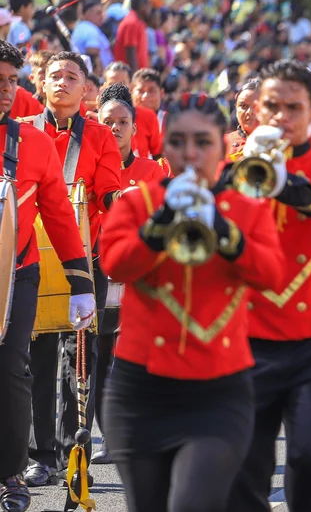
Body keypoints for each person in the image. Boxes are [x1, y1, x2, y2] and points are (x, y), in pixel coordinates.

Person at [100, 93, 284, 512]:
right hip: (140, 388)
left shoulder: (247, 208)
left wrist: (221, 226)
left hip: (218, 391)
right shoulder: (136, 202)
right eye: (179, 141)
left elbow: (271, 275)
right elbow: (116, 265)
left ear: (224, 146)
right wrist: (163, 218)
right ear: (164, 147)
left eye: (203, 142)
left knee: (191, 504)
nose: (190, 153)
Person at [228, 60, 311, 512]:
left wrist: (286, 182)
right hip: (247, 339)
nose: (281, 117)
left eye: (293, 107)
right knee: (242, 467)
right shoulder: (233, 169)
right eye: (272, 106)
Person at [0, 39, 96, 512]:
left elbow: (59, 215)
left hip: (18, 274)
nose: (4, 91)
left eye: (11, 82)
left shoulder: (32, 142)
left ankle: (12, 474)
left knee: (11, 370)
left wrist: (81, 282)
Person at [22, 51, 122, 487]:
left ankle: (70, 453)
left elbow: (107, 193)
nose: (62, 82)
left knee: (76, 356)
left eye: (72, 77)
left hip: (83, 257)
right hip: (27, 256)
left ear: (87, 90)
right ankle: (38, 455)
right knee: (35, 356)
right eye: (54, 76)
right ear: (40, 84)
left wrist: (129, 206)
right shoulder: (21, 133)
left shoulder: (100, 136)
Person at [92, 83, 168, 464]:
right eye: (109, 122)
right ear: (97, 123)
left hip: (143, 276)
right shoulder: (88, 167)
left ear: (135, 128)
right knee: (102, 357)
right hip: (100, 272)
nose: (116, 128)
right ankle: (108, 437)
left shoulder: (153, 171)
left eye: (123, 122)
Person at [71, 0, 113, 72]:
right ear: (88, 13)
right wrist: (100, 77)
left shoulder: (82, 27)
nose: (102, 16)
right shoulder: (90, 30)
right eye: (98, 13)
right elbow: (93, 55)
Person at [113, 0, 153, 74]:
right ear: (142, 6)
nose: (150, 8)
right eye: (148, 5)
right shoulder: (132, 22)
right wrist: (135, 76)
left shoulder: (136, 21)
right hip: (127, 75)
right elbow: (130, 50)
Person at [130, 68, 165, 158]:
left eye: (151, 91)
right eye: (140, 91)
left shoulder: (172, 121)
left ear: (161, 93)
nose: (145, 97)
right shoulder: (123, 120)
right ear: (131, 92)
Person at [225, 79, 260, 158]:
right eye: (243, 106)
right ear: (236, 108)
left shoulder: (282, 143)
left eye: (256, 106)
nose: (250, 112)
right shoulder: (223, 143)